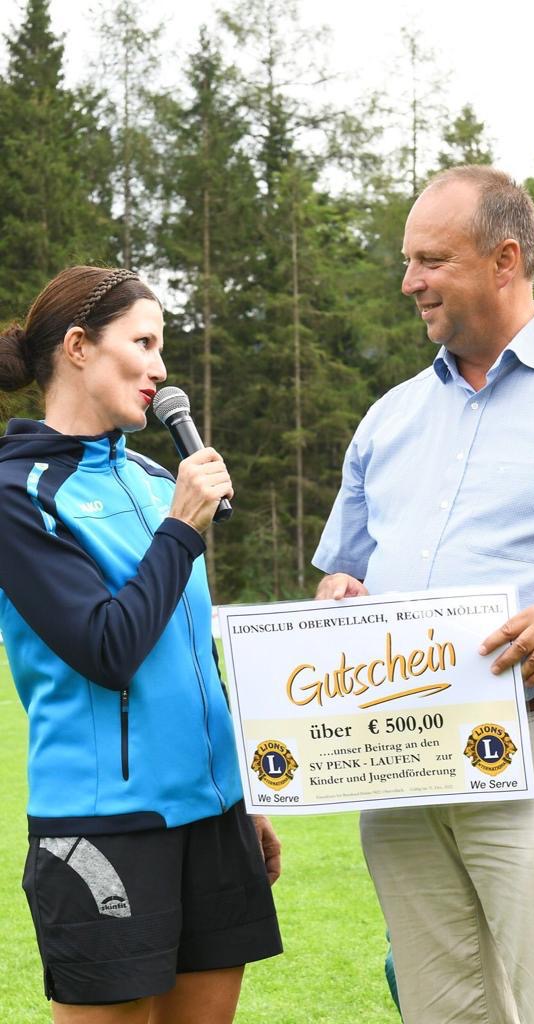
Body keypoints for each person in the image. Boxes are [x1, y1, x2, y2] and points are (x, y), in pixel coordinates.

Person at [312, 166, 534, 1024]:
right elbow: (345, 574)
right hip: (403, 758)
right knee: (441, 1011)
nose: (409, 282)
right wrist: (339, 594)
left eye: (431, 260)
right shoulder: (390, 418)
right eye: (407, 262)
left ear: (505, 259)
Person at [0, 266, 282, 1024]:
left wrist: (242, 792)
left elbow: (195, 655)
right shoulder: (18, 493)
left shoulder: (159, 479)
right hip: (105, 829)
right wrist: (181, 530)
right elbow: (106, 647)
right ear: (79, 347)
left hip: (215, 820)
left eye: (163, 347)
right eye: (144, 343)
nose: (161, 368)